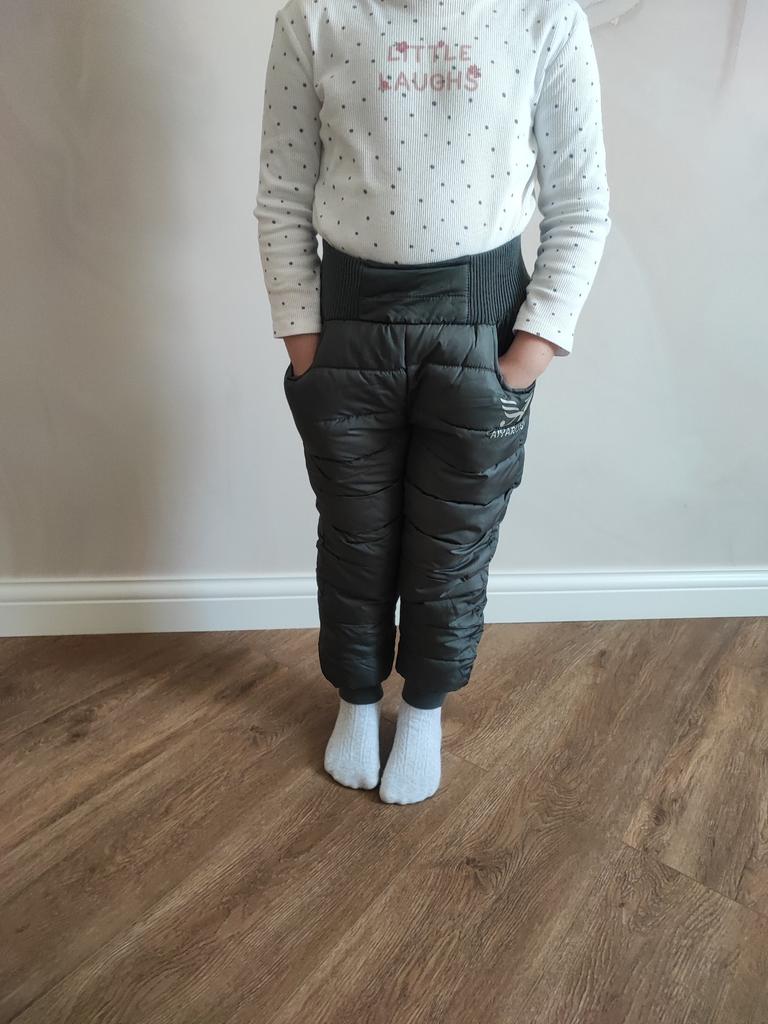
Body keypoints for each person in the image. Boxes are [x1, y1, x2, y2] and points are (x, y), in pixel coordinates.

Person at [254, 0, 611, 804]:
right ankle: (354, 701)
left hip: (482, 328)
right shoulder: (314, 17)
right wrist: (305, 344)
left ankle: (422, 713)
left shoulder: (544, 18)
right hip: (349, 326)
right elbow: (281, 194)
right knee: (355, 534)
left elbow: (581, 201)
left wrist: (528, 357)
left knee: (454, 542)